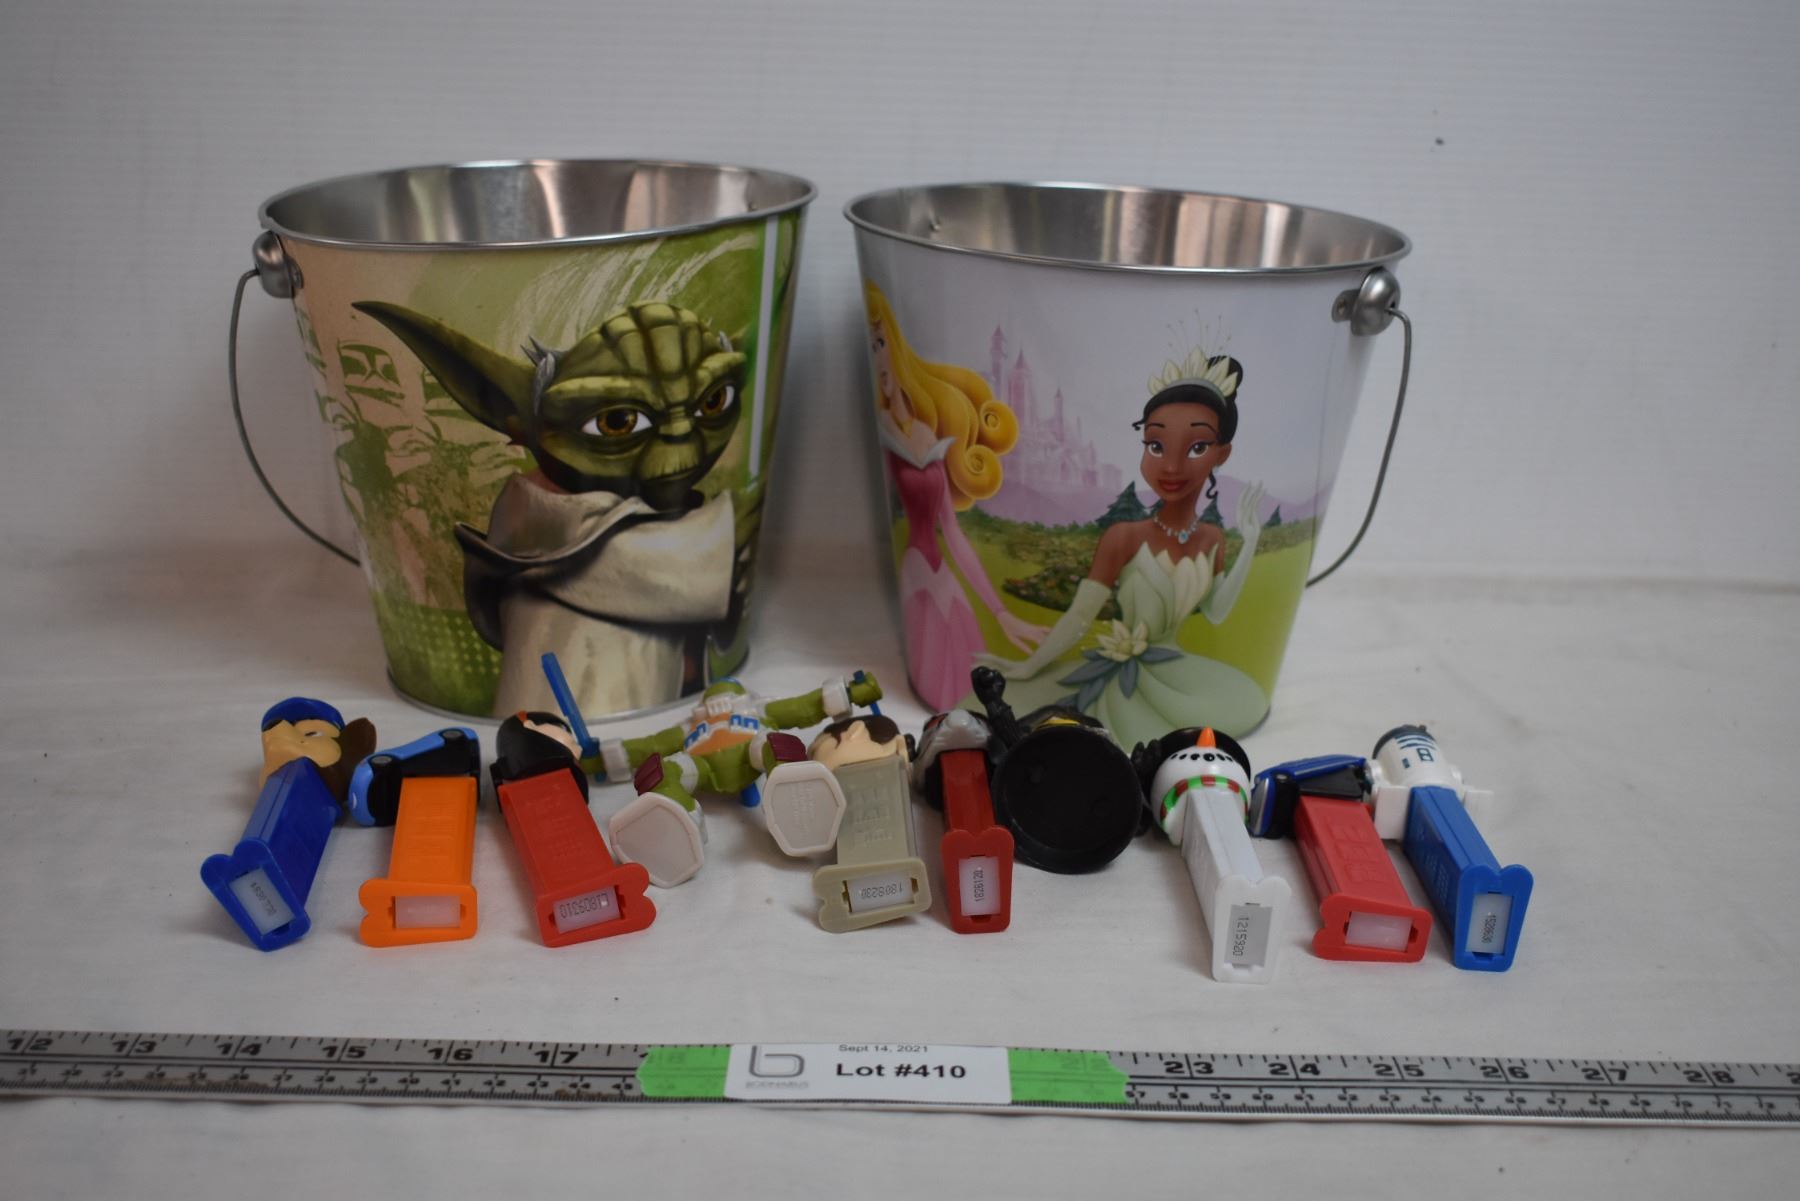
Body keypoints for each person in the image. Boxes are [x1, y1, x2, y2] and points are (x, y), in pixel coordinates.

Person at [976, 351, 1267, 747]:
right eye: (1156, 445)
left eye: (1197, 447)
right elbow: (1080, 615)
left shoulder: (1212, 538)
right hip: (1126, 681)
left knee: (1217, 724)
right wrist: (1031, 666)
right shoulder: (1125, 536)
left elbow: (1216, 611)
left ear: (1221, 454)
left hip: (1180, 674)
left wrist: (1250, 542)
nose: (1171, 466)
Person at [863, 282, 1046, 710]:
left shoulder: (931, 437)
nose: (878, 357)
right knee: (942, 685)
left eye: (881, 343)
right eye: (871, 345)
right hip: (916, 576)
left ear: (896, 347)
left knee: (973, 689)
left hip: (942, 578)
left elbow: (953, 531)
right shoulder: (891, 435)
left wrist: (1001, 613)